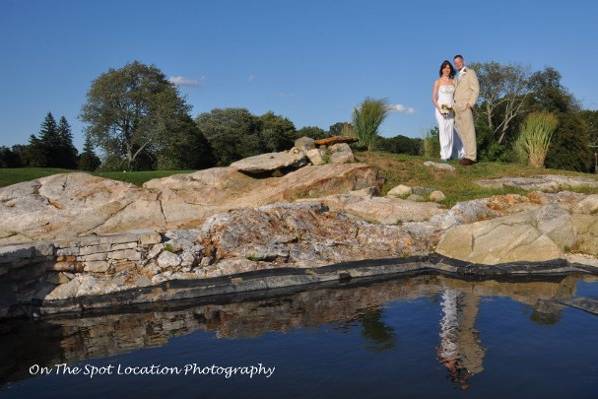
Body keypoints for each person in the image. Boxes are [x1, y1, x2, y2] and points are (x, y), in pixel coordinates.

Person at [432, 60, 464, 161]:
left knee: (450, 131)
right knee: (443, 130)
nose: (447, 69)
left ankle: (451, 154)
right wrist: (440, 109)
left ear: (450, 69)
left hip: (450, 107)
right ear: (441, 69)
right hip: (441, 107)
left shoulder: (453, 81)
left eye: (449, 67)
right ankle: (444, 155)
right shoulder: (438, 81)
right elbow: (433, 98)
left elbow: (457, 95)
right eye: (445, 67)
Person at [453, 54, 480, 166]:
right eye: (455, 63)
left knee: (469, 131)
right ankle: (466, 155)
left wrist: (471, 103)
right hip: (456, 108)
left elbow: (476, 89)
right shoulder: (455, 76)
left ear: (463, 61)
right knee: (461, 132)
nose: (457, 64)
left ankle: (472, 157)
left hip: (466, 106)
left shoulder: (470, 72)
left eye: (459, 62)